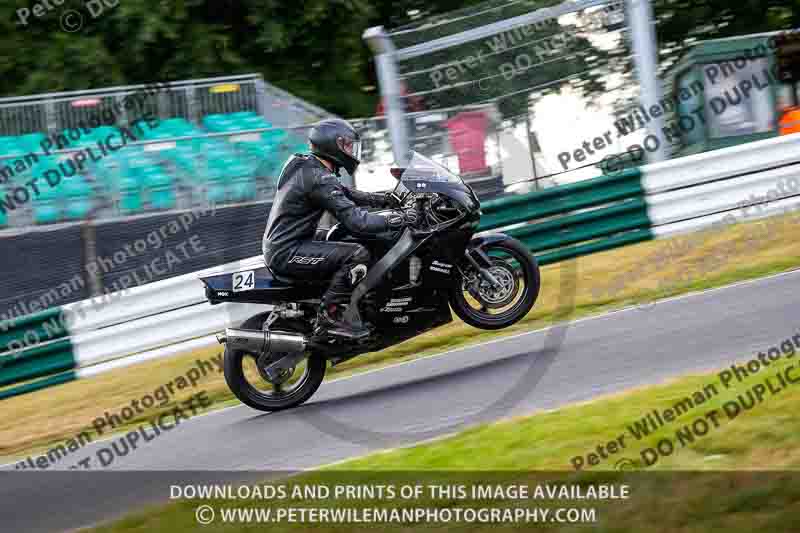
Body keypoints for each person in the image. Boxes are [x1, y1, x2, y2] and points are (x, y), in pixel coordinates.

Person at [262, 118, 419, 338]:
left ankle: (356, 306)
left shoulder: (309, 167)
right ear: (331, 144)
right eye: (346, 145)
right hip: (288, 251)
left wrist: (386, 200)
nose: (351, 151)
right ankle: (330, 317)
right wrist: (400, 218)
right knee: (357, 254)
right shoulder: (319, 178)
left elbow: (345, 193)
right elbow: (359, 221)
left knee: (340, 237)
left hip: (288, 244)